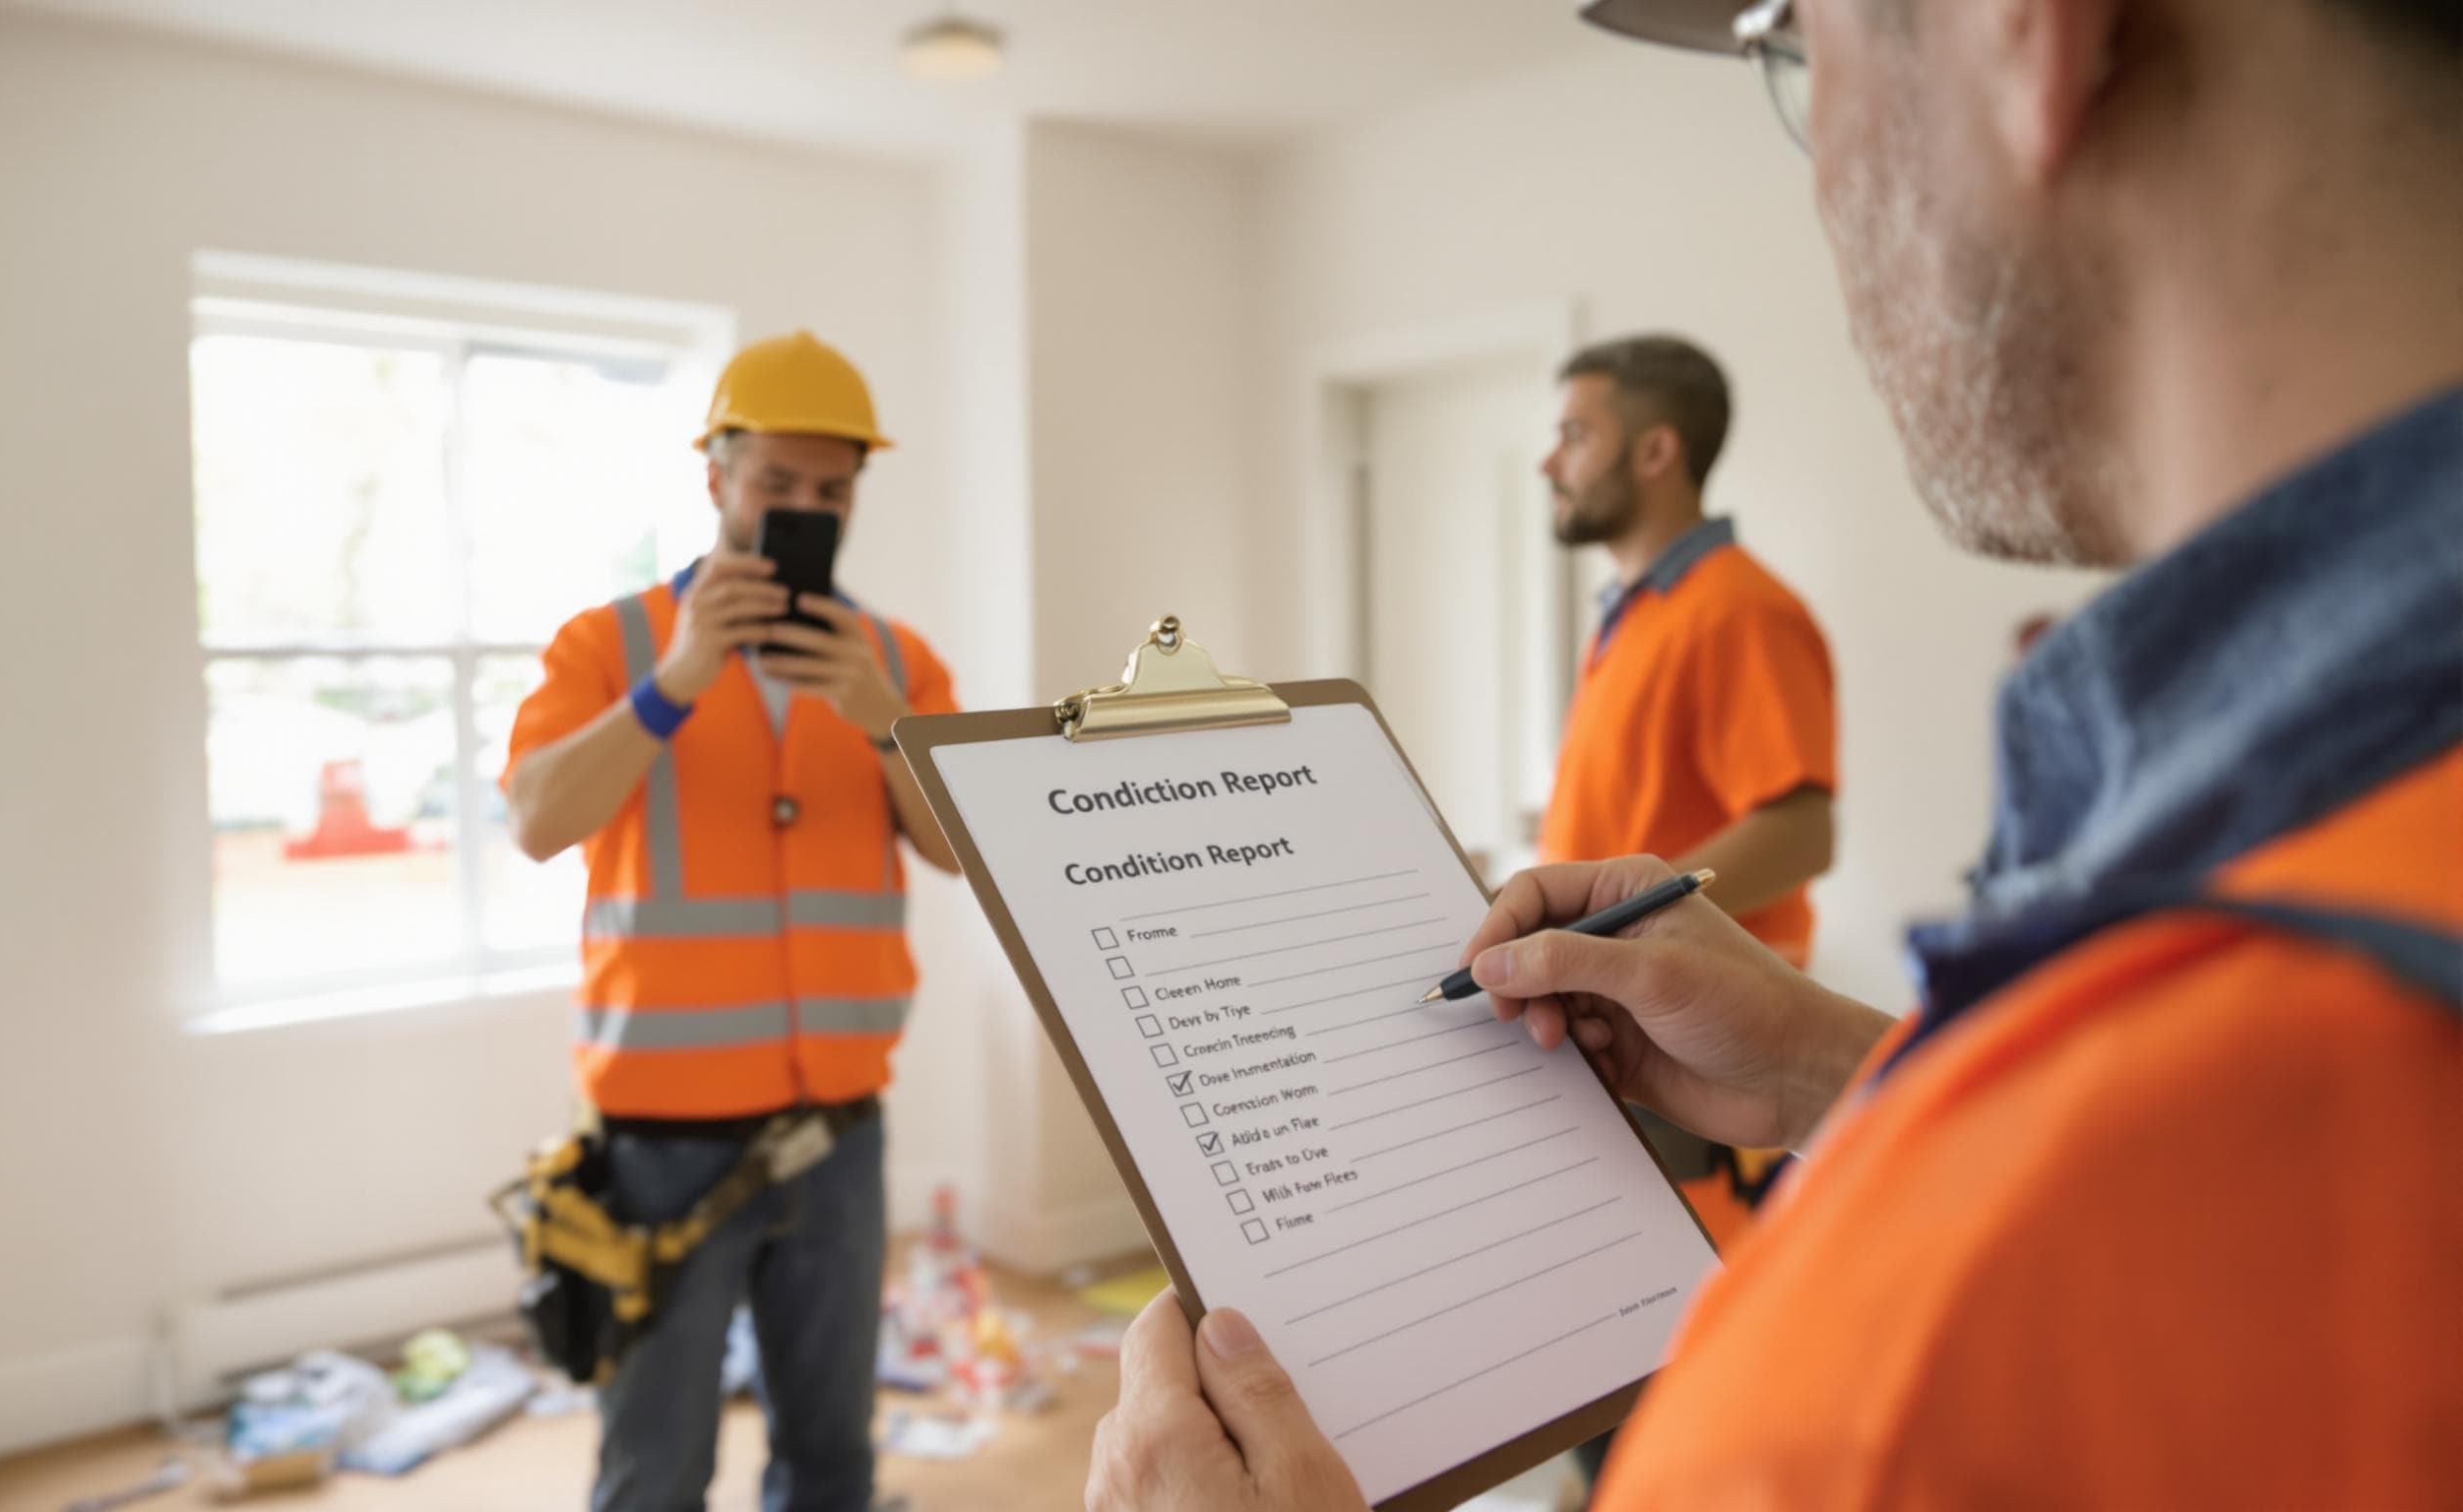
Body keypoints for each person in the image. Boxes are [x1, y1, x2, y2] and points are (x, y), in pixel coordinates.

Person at [1085, 0, 2462, 1504]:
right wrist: (1838, 1068)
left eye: (1789, 45)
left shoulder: (1914, 1370)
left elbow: (1802, 825)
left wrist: (1645, 926)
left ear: (2024, 32)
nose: (1817, 171)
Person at [504, 331, 961, 1512]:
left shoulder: (896, 662)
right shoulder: (608, 645)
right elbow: (537, 820)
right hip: (659, 1142)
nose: (804, 510)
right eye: (776, 483)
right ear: (716, 478)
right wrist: (676, 683)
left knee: (833, 1459)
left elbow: (963, 851)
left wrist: (882, 720)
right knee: (655, 1470)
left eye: (832, 491)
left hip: (837, 1130)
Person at [1537, 334, 1835, 1254]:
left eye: (1575, 435)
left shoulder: (1740, 611)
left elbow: (1801, 832)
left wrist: (1608, 927)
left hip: (1689, 1048)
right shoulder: (1633, 618)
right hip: (1617, 1027)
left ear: (1656, 451)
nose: (1550, 462)